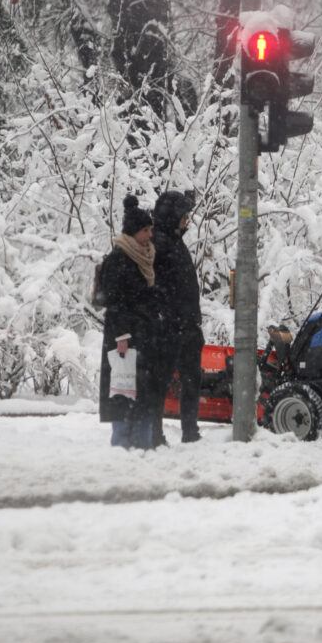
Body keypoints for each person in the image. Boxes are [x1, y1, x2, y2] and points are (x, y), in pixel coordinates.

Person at [99, 195, 162, 449]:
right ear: (133, 232)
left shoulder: (145, 257)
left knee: (142, 396)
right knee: (125, 395)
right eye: (145, 231)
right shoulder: (119, 259)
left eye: (150, 230)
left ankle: (141, 447)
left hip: (144, 337)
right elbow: (115, 302)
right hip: (126, 341)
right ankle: (123, 449)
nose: (149, 235)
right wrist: (122, 336)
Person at [149, 190, 203, 445]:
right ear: (173, 216)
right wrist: (165, 316)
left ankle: (190, 431)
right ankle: (155, 433)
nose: (187, 219)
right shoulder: (158, 243)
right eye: (184, 215)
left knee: (192, 379)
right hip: (170, 327)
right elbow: (152, 286)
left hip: (187, 325)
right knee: (161, 380)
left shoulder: (174, 241)